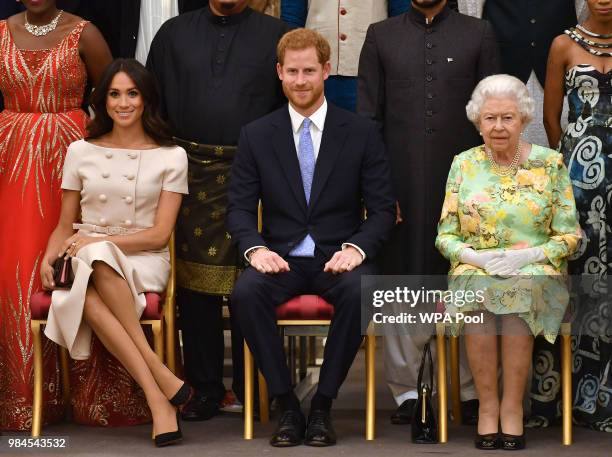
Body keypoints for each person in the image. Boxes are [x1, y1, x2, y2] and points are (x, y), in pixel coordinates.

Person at [227, 28, 395, 447]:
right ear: (279, 73)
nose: (300, 81)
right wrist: (255, 249)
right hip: (280, 257)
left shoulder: (359, 132)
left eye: (309, 71)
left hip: (337, 258)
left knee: (362, 290)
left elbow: (381, 211)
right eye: (292, 72)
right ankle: (286, 402)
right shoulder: (256, 134)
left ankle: (322, 404)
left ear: (326, 71)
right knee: (245, 293)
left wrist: (356, 249)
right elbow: (240, 210)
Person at [357, 0, 499, 425]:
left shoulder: (479, 33)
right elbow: (368, 120)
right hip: (399, 184)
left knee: (466, 280)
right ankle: (407, 393)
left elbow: (492, 116)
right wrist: (379, 192)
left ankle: (472, 390)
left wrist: (489, 191)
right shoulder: (381, 36)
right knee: (405, 281)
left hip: (467, 186)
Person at [146, 0, 289, 421]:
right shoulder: (173, 34)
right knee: (194, 288)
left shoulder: (275, 35)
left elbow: (290, 106)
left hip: (257, 174)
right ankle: (205, 388)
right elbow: (153, 106)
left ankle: (255, 386)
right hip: (188, 174)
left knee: (253, 282)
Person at [41, 59, 190, 447]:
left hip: (143, 257)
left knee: (93, 264)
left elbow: (159, 234)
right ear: (103, 100)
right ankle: (159, 387)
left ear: (146, 100)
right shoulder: (80, 150)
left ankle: (158, 389)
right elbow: (65, 223)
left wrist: (94, 243)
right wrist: (47, 257)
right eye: (114, 94)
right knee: (88, 274)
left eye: (132, 93)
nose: (123, 103)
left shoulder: (172, 156)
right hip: (85, 253)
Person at [436, 74, 581, 450]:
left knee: (519, 289)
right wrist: (475, 257)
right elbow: (445, 235)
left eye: (508, 118)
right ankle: (488, 407)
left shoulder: (550, 164)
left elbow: (569, 235)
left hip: (535, 267)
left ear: (524, 119)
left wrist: (528, 255)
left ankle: (513, 407)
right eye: (490, 118)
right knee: (476, 291)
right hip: (477, 264)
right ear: (477, 121)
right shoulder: (463, 164)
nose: (498, 127)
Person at [0, 0, 112, 431]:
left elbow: (112, 94)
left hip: (72, 155)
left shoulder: (86, 32)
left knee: (73, 260)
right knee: (16, 265)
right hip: (11, 158)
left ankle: (85, 390)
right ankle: (25, 393)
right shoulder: (2, 31)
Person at [542, 0, 612, 433]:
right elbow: (552, 119)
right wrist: (568, 168)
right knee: (576, 282)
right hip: (578, 181)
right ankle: (569, 396)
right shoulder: (563, 45)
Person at [280, 0, 410, 111]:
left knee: (366, 134)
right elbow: (291, 17)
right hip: (314, 72)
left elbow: (401, 17)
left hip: (372, 71)